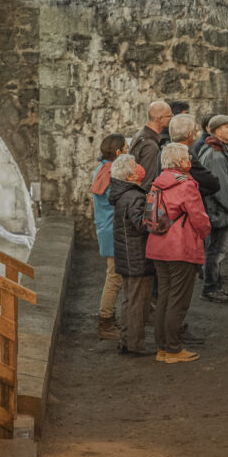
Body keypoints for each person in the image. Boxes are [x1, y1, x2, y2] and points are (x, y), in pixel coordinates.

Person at [145, 142, 211, 364]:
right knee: (178, 299)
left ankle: (162, 348)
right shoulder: (186, 184)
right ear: (182, 161)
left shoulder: (157, 184)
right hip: (180, 247)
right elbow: (199, 218)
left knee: (164, 296)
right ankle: (173, 349)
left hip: (157, 245)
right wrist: (204, 233)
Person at [108, 153, 154, 356]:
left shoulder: (122, 195)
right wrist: (153, 207)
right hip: (137, 256)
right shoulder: (135, 196)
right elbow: (142, 224)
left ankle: (126, 340)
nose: (139, 167)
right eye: (135, 165)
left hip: (125, 254)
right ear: (129, 175)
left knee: (128, 300)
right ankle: (135, 343)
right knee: (138, 302)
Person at [198, 115, 228, 304]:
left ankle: (215, 285)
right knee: (215, 251)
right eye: (227, 126)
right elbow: (221, 186)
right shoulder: (215, 154)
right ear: (216, 131)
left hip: (217, 210)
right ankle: (210, 288)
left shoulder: (217, 149)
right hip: (218, 211)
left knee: (215, 250)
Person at [91, 134, 127, 340]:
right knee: (114, 278)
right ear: (118, 152)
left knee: (114, 276)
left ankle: (108, 319)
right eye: (126, 148)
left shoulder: (102, 169)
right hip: (113, 229)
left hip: (106, 228)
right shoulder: (111, 173)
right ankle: (105, 321)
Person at [167, 113, 220, 196]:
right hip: (185, 205)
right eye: (195, 130)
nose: (196, 133)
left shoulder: (163, 152)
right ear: (190, 134)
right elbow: (212, 183)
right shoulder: (185, 154)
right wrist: (196, 192)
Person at [130, 100, 173, 190]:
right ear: (159, 119)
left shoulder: (140, 135)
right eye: (169, 116)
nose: (172, 118)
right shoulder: (150, 146)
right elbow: (147, 182)